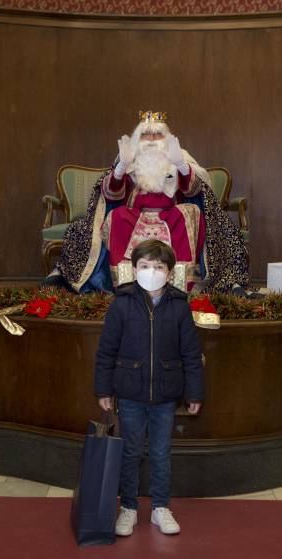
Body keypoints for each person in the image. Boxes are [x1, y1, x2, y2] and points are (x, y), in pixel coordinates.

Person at [48, 110, 249, 294]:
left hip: (170, 214)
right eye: (146, 135)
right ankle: (125, 283)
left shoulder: (179, 157)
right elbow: (110, 194)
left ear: (166, 138)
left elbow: (195, 191)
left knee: (189, 212)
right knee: (117, 216)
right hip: (135, 214)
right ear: (138, 138)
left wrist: (180, 164)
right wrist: (122, 167)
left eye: (157, 135)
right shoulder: (129, 159)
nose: (152, 140)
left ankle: (179, 284)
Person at [94, 239, 204, 536]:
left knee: (160, 452)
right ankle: (128, 508)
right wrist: (104, 390)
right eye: (145, 266)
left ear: (170, 272)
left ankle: (160, 508)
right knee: (130, 452)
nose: (151, 271)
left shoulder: (179, 307)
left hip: (166, 396)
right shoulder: (121, 304)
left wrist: (194, 393)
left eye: (158, 266)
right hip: (130, 393)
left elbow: (191, 354)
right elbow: (106, 351)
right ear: (134, 269)